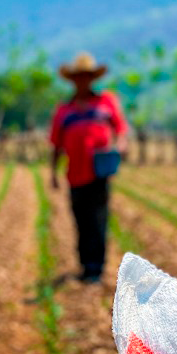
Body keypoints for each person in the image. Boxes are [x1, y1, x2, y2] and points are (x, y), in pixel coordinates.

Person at [49, 52, 128, 284]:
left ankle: (96, 268)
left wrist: (121, 146)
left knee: (98, 220)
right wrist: (53, 173)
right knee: (81, 221)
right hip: (74, 174)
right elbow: (55, 144)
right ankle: (85, 265)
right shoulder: (64, 110)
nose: (83, 81)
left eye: (87, 77)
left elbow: (121, 129)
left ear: (92, 78)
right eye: (79, 77)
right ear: (73, 80)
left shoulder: (106, 102)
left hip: (99, 172)